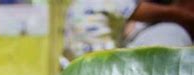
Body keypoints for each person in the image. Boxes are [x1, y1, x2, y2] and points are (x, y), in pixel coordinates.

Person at [63, 0, 194, 61]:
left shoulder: (77, 3)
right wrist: (186, 16)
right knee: (171, 32)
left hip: (75, 65)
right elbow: (162, 13)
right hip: (101, 65)